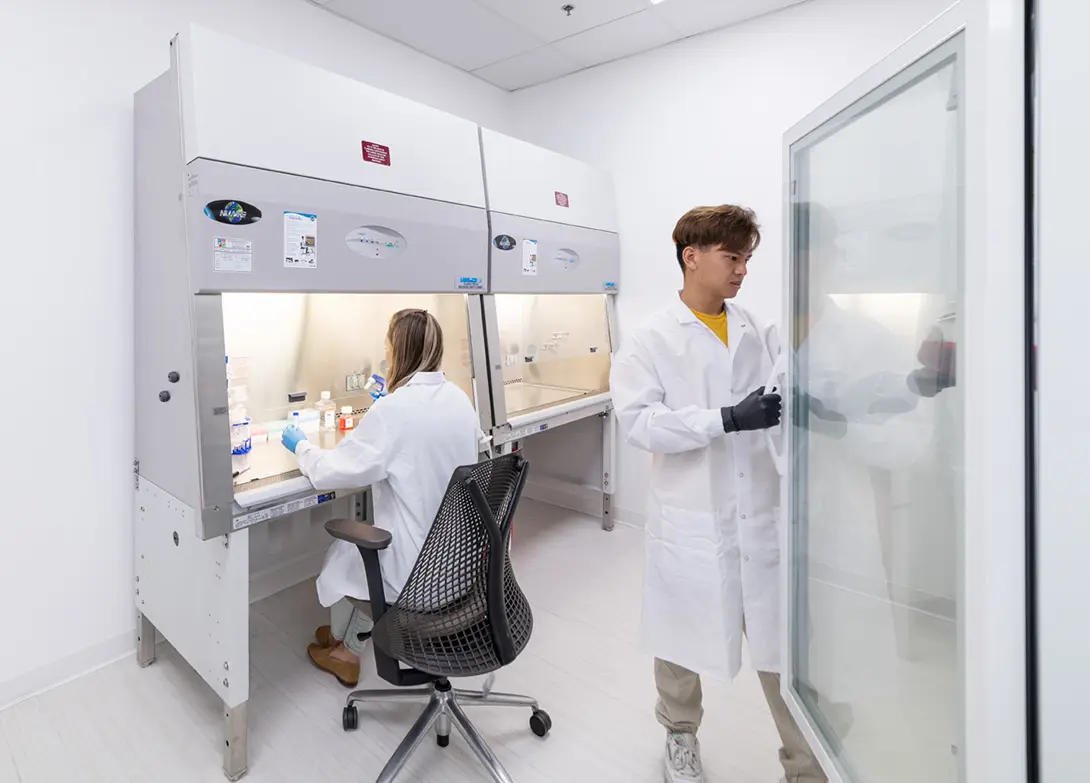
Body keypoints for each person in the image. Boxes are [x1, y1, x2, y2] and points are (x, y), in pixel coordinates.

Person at [610, 205, 826, 783]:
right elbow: (639, 422)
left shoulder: (757, 328)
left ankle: (805, 764)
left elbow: (795, 382)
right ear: (692, 256)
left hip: (759, 512)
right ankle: (679, 737)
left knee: (781, 645)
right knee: (680, 637)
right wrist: (726, 418)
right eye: (733, 257)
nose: (742, 271)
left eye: (748, 259)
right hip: (691, 517)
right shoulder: (649, 339)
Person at [280, 308, 484, 687]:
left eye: (389, 347)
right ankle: (344, 637)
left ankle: (347, 652)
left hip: (418, 578)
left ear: (401, 352)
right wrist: (386, 402)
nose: (385, 356)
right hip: (464, 569)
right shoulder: (459, 399)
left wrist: (301, 445)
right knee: (357, 554)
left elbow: (331, 471)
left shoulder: (394, 411)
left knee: (342, 555)